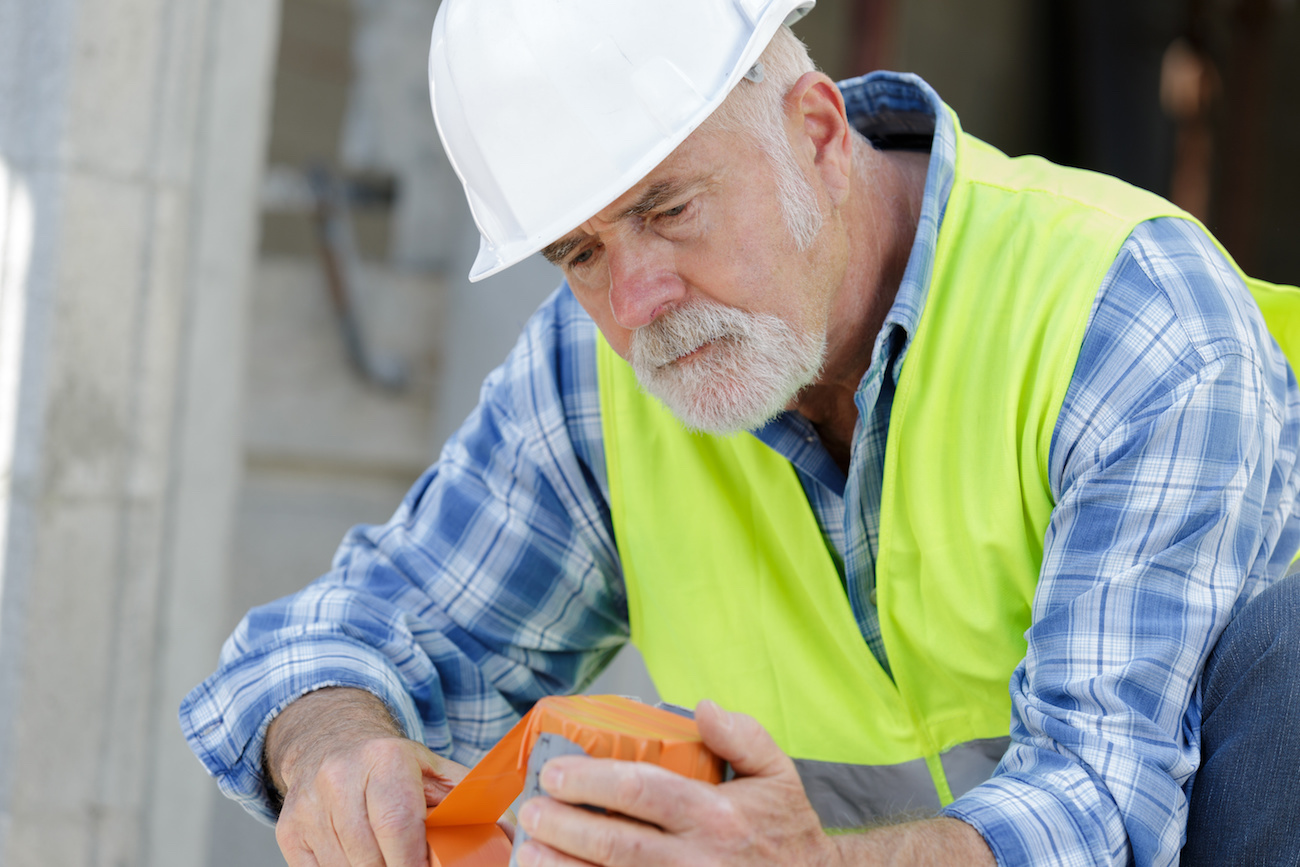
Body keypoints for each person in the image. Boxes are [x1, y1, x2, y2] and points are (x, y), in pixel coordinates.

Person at [180, 1, 1300, 864]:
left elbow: (1107, 811)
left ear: (814, 131)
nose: (635, 304)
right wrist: (331, 748)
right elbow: (333, 641)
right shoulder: (595, 377)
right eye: (578, 254)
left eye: (667, 209)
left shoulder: (1123, 315)